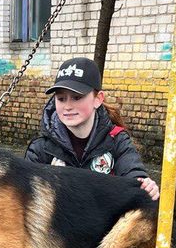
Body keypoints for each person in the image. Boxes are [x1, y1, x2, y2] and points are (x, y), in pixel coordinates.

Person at [25, 57, 160, 200]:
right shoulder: (41, 149)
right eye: (61, 98)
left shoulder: (117, 140)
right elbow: (24, 197)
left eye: (77, 97)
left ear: (98, 99)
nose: (68, 106)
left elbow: (133, 175)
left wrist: (145, 186)